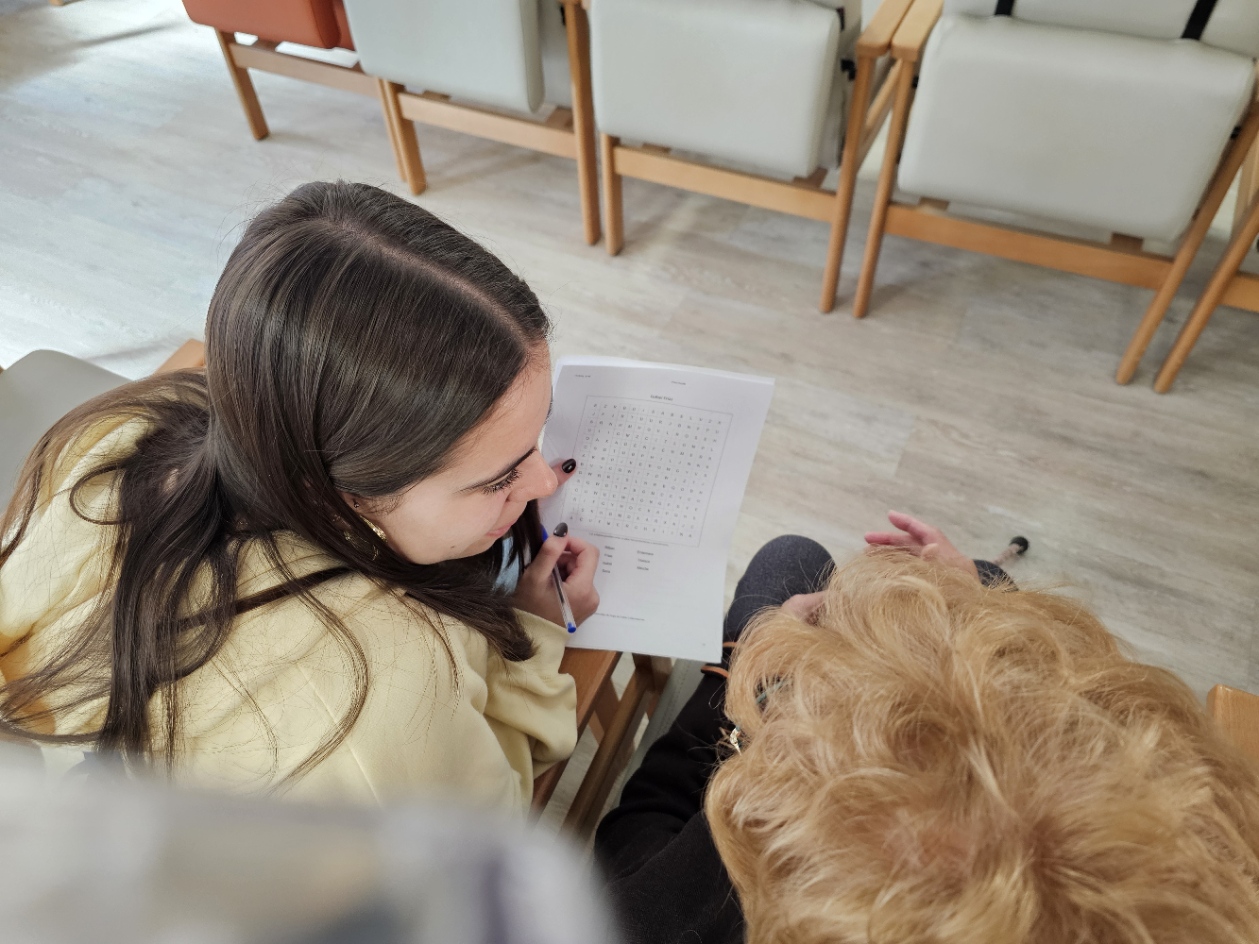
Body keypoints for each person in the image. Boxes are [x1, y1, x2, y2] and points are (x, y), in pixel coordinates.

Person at [0, 181, 598, 808]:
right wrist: (535, 629)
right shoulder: (395, 688)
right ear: (337, 491)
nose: (544, 483)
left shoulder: (133, 425)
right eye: (497, 478)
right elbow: (484, 830)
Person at [596, 514, 1259, 943]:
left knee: (788, 558)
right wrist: (980, 597)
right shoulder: (1197, 880)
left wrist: (742, 672)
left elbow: (647, 834)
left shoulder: (758, 867)